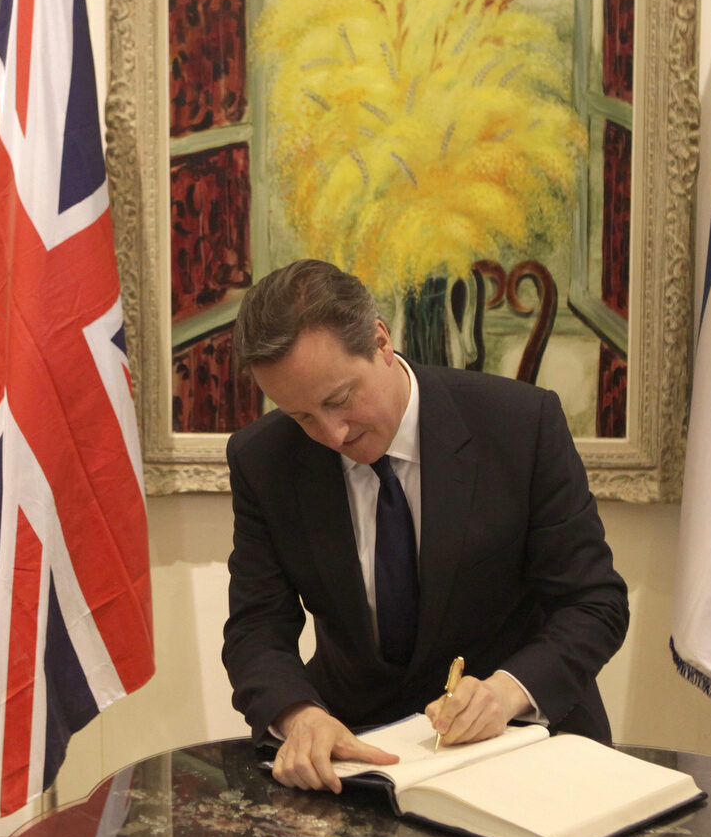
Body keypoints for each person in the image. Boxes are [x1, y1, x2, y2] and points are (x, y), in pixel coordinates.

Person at [222, 259, 630, 792]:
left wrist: (507, 691)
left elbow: (595, 602)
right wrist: (300, 716)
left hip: (526, 748)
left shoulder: (519, 425)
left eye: (339, 399)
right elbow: (256, 628)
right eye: (301, 417)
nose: (332, 433)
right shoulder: (264, 459)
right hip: (362, 758)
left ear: (381, 341)